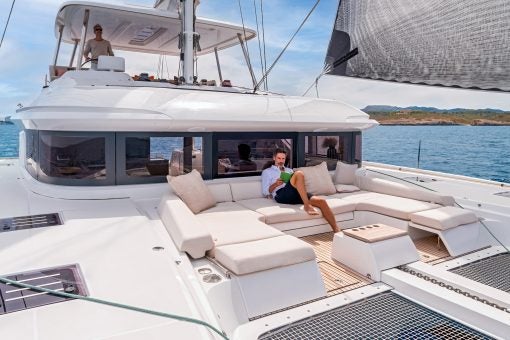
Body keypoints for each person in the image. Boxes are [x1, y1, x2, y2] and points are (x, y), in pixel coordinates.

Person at [261, 148, 340, 233]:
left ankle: (337, 230)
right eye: (279, 158)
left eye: (283, 158)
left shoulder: (289, 170)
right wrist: (276, 184)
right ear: (274, 158)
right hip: (281, 195)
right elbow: (265, 191)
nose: (281, 161)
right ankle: (307, 205)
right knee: (299, 173)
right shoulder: (267, 172)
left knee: (322, 201)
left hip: (294, 192)